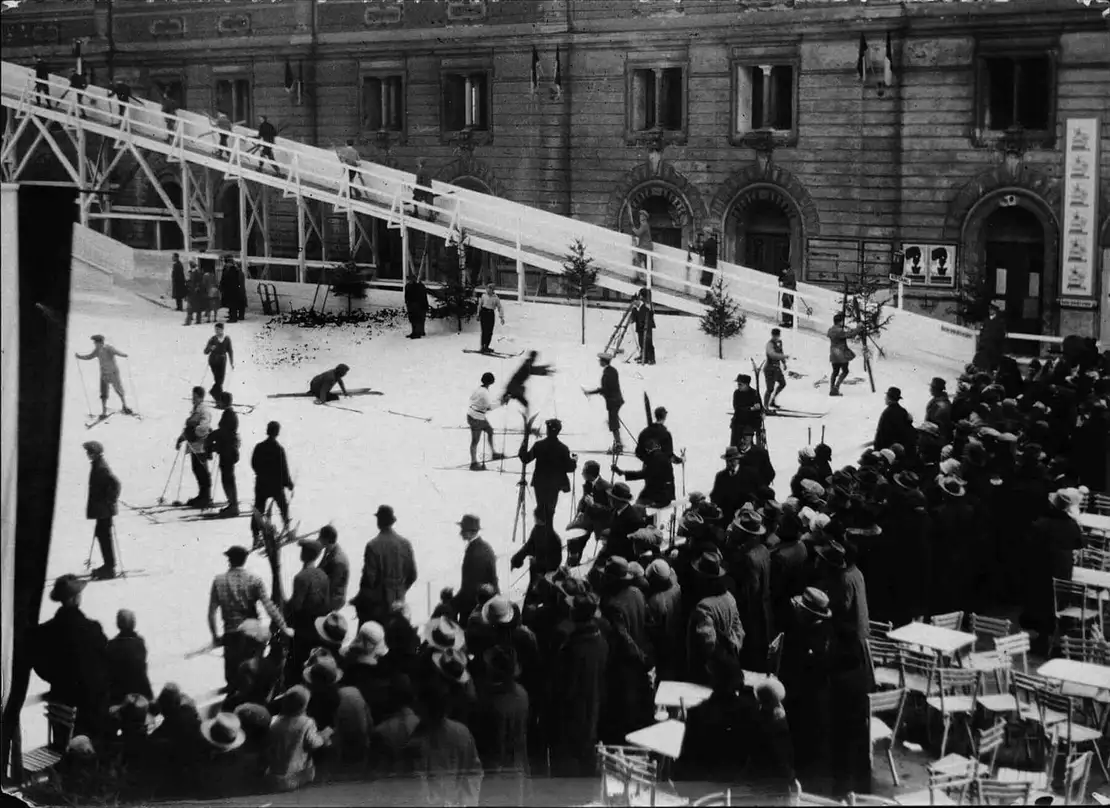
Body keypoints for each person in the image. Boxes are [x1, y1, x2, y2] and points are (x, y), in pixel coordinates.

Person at [32, 575, 111, 739]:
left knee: (63, 746)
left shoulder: (44, 632)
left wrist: (57, 678)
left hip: (61, 701)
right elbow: (107, 662)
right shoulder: (92, 629)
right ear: (76, 598)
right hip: (90, 704)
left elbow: (38, 664)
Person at [208, 545, 291, 691]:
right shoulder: (254, 580)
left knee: (233, 677)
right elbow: (269, 607)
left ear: (229, 560)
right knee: (252, 674)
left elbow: (211, 613)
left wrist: (215, 636)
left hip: (231, 632)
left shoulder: (218, 581)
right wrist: (283, 626)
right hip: (252, 633)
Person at [352, 505, 417, 627]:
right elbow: (412, 575)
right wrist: (400, 590)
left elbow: (369, 580)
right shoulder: (405, 544)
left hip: (379, 608)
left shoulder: (372, 546)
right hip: (399, 605)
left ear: (379, 521)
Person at [265, 685, 332, 791]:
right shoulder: (306, 722)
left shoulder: (273, 721)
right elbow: (314, 744)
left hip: (272, 779)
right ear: (305, 705)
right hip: (294, 778)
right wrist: (323, 737)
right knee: (326, 744)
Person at [285, 539, 331, 676]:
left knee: (298, 661)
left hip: (303, 626)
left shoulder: (301, 577)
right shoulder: (323, 575)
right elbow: (327, 603)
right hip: (318, 626)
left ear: (304, 554)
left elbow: (297, 606)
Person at [519, 418, 577, 525]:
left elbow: (525, 458)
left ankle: (540, 530)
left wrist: (524, 443)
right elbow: (570, 468)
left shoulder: (539, 445)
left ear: (547, 430)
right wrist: (574, 461)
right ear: (559, 431)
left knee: (541, 508)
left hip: (540, 483)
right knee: (550, 510)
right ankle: (547, 530)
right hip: (554, 484)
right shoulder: (563, 448)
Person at [710, 432, 776, 524]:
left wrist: (754, 505)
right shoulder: (721, 477)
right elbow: (714, 496)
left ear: (738, 459)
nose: (731, 463)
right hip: (727, 518)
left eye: (733, 460)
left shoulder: (750, 474)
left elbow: (762, 492)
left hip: (747, 518)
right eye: (728, 461)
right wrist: (717, 507)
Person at [82, 440, 121, 580]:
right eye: (87, 452)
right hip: (102, 509)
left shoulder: (101, 467)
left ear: (96, 453)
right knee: (102, 535)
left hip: (105, 509)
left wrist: (110, 500)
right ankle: (108, 565)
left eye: (90, 452)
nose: (88, 454)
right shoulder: (97, 465)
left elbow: (115, 484)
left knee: (105, 537)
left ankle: (109, 568)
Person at [451, 514, 499, 624]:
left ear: (469, 532)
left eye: (462, 530)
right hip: (487, 603)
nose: (460, 533)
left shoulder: (475, 553)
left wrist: (451, 605)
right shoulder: (485, 547)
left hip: (475, 608)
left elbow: (470, 588)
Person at [250, 421, 294, 539]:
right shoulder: (279, 449)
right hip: (276, 486)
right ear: (277, 433)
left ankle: (255, 533)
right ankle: (287, 528)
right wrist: (288, 483)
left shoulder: (259, 447)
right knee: (283, 506)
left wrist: (260, 474)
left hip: (261, 484)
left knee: (258, 509)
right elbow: (283, 469)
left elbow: (253, 463)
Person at [75, 334, 132, 418]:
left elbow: (117, 352)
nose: (94, 344)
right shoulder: (97, 350)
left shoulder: (108, 348)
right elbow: (89, 356)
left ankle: (125, 406)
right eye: (94, 343)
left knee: (119, 390)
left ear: (100, 342)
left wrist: (123, 355)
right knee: (103, 393)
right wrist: (79, 357)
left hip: (113, 373)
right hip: (104, 375)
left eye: (95, 343)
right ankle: (104, 412)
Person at [106, 609, 154, 704]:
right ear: (133, 624)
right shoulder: (139, 644)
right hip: (139, 692)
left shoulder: (111, 645)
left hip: (117, 694)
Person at [176, 385, 214, 508]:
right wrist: (182, 438)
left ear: (200, 397)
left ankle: (206, 497)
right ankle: (202, 495)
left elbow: (204, 427)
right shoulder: (196, 409)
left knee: (202, 471)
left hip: (201, 446)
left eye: (195, 397)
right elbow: (190, 427)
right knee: (197, 470)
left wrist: (192, 433)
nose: (193, 399)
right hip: (195, 446)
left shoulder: (204, 411)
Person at [585, 352, 625, 454]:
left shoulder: (607, 373)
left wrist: (591, 392)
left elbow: (606, 388)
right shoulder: (612, 370)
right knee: (613, 422)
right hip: (616, 400)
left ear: (604, 362)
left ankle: (618, 445)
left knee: (613, 423)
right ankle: (618, 443)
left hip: (613, 401)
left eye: (600, 361)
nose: (599, 362)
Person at [467, 372, 505, 471]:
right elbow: (490, 407)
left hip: (476, 415)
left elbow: (474, 400)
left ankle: (494, 453)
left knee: (490, 431)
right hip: (477, 418)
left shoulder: (480, 389)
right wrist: (502, 402)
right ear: (491, 382)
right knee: (475, 441)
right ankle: (473, 463)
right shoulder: (484, 392)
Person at [827, 313, 861, 397]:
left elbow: (846, 333)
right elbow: (849, 335)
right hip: (841, 353)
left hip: (833, 352)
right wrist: (858, 328)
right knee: (845, 371)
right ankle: (836, 387)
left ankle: (831, 388)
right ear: (839, 322)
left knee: (835, 371)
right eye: (842, 321)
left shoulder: (830, 330)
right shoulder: (839, 331)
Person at [873, 386, 916, 454]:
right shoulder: (903, 411)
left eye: (886, 397)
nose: (885, 398)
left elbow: (881, 433)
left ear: (889, 398)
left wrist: (876, 450)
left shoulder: (887, 413)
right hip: (901, 448)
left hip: (889, 450)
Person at [318, 525, 350, 613]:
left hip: (335, 598)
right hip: (328, 590)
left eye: (320, 538)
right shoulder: (329, 550)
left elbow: (332, 586)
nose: (318, 540)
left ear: (326, 540)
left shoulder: (338, 561)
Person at [731, 374, 764, 449]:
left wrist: (760, 410)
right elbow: (737, 407)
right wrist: (750, 409)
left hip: (750, 422)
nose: (738, 386)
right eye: (738, 384)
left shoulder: (754, 393)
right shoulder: (737, 393)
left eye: (740, 384)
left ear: (746, 384)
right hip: (738, 421)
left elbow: (760, 407)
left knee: (747, 443)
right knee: (734, 444)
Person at [204, 322, 234, 402]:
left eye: (218, 329)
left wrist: (232, 362)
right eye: (215, 329)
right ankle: (219, 399)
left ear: (222, 330)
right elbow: (205, 351)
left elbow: (230, 351)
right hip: (213, 361)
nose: (216, 331)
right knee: (218, 380)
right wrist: (210, 348)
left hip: (223, 361)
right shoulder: (213, 339)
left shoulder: (227, 339)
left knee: (221, 380)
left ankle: (214, 392)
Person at [763, 328, 789, 410]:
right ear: (772, 335)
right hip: (769, 369)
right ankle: (765, 406)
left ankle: (772, 400)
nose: (776, 337)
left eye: (778, 336)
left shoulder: (779, 343)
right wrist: (783, 357)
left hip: (777, 368)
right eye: (775, 336)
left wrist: (784, 362)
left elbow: (781, 352)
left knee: (782, 383)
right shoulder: (769, 344)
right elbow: (772, 354)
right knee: (770, 388)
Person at [477, 283, 505, 354]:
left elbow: (500, 307)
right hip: (484, 313)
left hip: (490, 314)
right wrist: (478, 314)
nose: (488, 290)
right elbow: (480, 305)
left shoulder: (496, 298)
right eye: (487, 288)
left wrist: (501, 317)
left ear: (493, 290)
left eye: (490, 289)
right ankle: (482, 346)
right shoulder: (483, 296)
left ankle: (486, 346)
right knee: (484, 331)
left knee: (489, 331)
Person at [632, 288, 656, 365]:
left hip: (647, 326)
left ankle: (651, 359)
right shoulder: (637, 307)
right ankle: (643, 356)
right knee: (641, 342)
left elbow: (648, 314)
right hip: (640, 327)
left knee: (648, 343)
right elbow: (635, 317)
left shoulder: (646, 306)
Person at [925, 377, 953, 441]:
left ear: (935, 389)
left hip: (935, 436)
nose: (930, 389)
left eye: (931, 387)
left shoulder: (941, 405)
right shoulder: (939, 400)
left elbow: (937, 424)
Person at [630, 209, 652, 284]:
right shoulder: (644, 225)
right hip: (645, 246)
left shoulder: (644, 225)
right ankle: (646, 280)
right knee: (645, 264)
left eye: (642, 216)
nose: (640, 217)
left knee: (637, 260)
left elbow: (638, 233)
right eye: (640, 216)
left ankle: (637, 277)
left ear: (644, 217)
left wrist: (633, 229)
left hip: (645, 247)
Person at [404, 273, 429, 339]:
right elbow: (406, 296)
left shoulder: (419, 286)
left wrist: (424, 305)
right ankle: (414, 332)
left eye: (410, 280)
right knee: (412, 319)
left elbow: (423, 296)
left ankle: (418, 332)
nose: (409, 281)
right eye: (408, 280)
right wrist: (407, 303)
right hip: (411, 305)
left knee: (418, 319)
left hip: (419, 305)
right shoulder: (408, 286)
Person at [185, 261, 205, 326]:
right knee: (193, 307)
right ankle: (193, 321)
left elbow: (199, 282)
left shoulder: (196, 273)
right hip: (192, 292)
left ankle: (190, 321)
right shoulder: (191, 272)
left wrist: (197, 287)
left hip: (195, 293)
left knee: (193, 307)